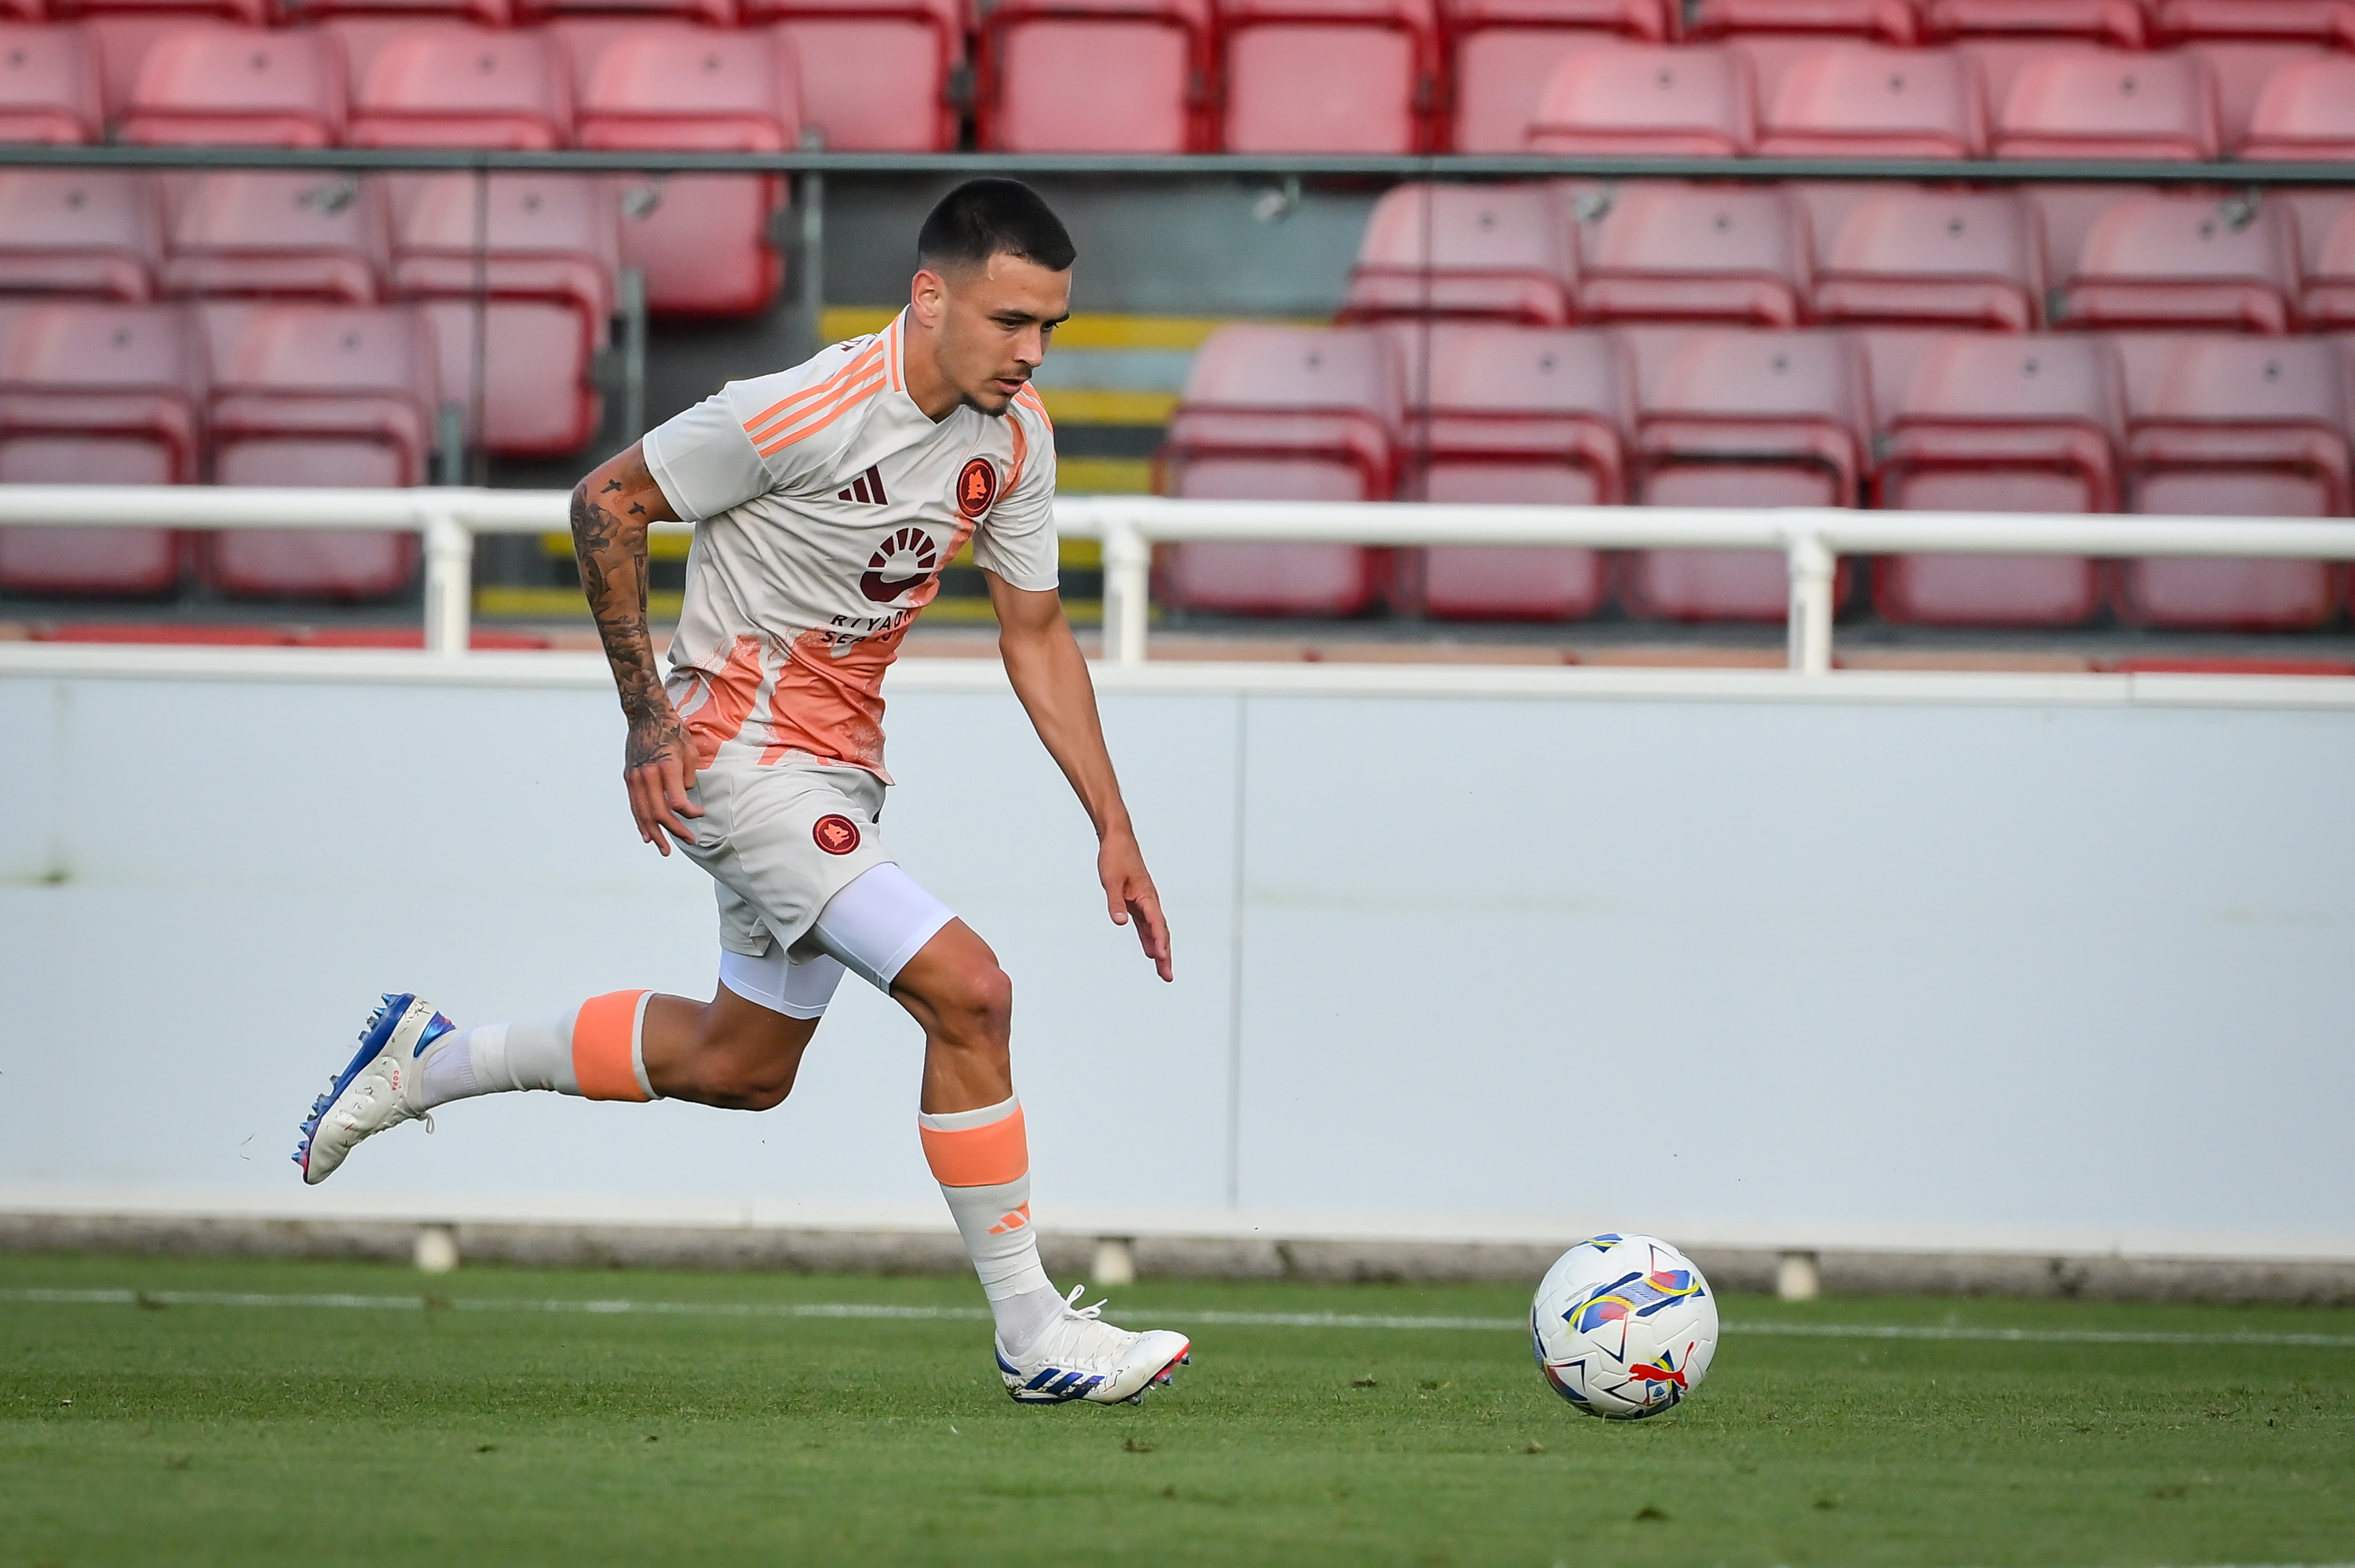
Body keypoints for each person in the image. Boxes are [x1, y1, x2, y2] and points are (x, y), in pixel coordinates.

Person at [293, 178, 1190, 1407]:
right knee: (972, 992)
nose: (1031, 355)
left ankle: (430, 1060)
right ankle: (1033, 1330)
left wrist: (1115, 826)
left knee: (740, 1063)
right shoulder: (800, 409)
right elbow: (607, 501)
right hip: (731, 755)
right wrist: (646, 719)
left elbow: (1033, 633)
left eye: (1051, 330)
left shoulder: (1014, 440)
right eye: (1009, 321)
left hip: (835, 774)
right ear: (930, 298)